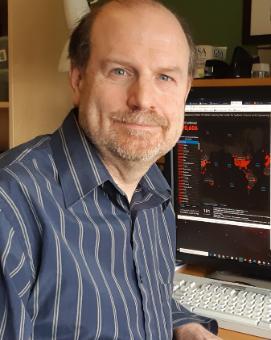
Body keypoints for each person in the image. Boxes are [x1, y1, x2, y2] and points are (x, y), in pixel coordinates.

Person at [0, 0, 221, 339]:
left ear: (186, 91)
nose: (143, 99)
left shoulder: (152, 189)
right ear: (77, 79)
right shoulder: (11, 204)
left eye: (165, 76)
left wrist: (184, 325)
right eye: (120, 71)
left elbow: (137, 297)